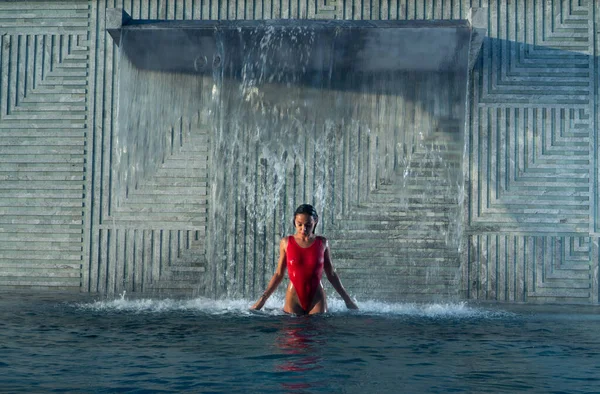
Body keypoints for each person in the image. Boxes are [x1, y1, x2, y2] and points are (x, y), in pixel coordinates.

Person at [251, 204, 358, 315]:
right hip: (293, 299)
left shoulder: (322, 243)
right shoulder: (286, 242)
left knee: (318, 331)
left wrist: (348, 300)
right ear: (294, 221)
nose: (303, 229)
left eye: (308, 225)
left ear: (315, 221)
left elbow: (331, 274)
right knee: (293, 331)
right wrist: (263, 299)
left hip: (317, 299)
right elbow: (279, 274)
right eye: (299, 224)